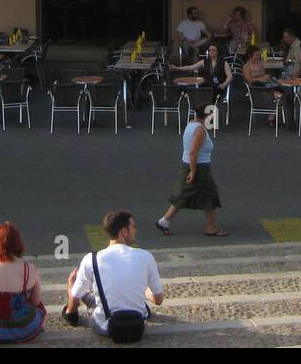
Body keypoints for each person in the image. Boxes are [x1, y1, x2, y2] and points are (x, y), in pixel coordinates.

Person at [63, 211, 164, 337]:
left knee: (85, 291)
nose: (136, 231)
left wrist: (70, 291)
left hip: (107, 327)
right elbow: (158, 300)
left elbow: (74, 301)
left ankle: (85, 295)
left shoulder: (91, 259)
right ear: (124, 231)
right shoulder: (145, 256)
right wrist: (141, 288)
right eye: (133, 227)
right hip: (137, 325)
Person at [156, 108, 227, 237]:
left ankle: (164, 221)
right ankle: (211, 228)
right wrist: (193, 171)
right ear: (207, 115)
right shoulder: (199, 130)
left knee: (184, 193)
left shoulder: (191, 124)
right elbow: (193, 152)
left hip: (190, 166)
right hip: (199, 167)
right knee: (210, 195)